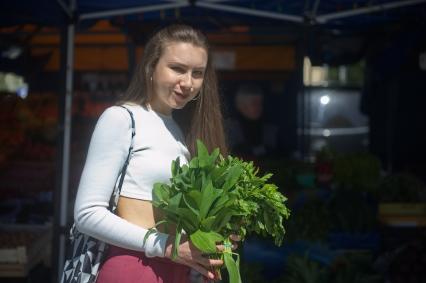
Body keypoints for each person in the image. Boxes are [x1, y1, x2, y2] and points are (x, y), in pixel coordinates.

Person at [73, 24, 231, 283]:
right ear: (150, 67)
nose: (188, 82)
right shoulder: (122, 119)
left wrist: (215, 238)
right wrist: (166, 245)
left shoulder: (180, 132)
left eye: (197, 73)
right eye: (177, 68)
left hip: (175, 270)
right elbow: (87, 214)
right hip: (133, 267)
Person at [226, 83, 279, 161]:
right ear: (240, 105)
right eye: (254, 104)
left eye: (260, 103)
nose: (259, 107)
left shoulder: (270, 128)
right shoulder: (230, 128)